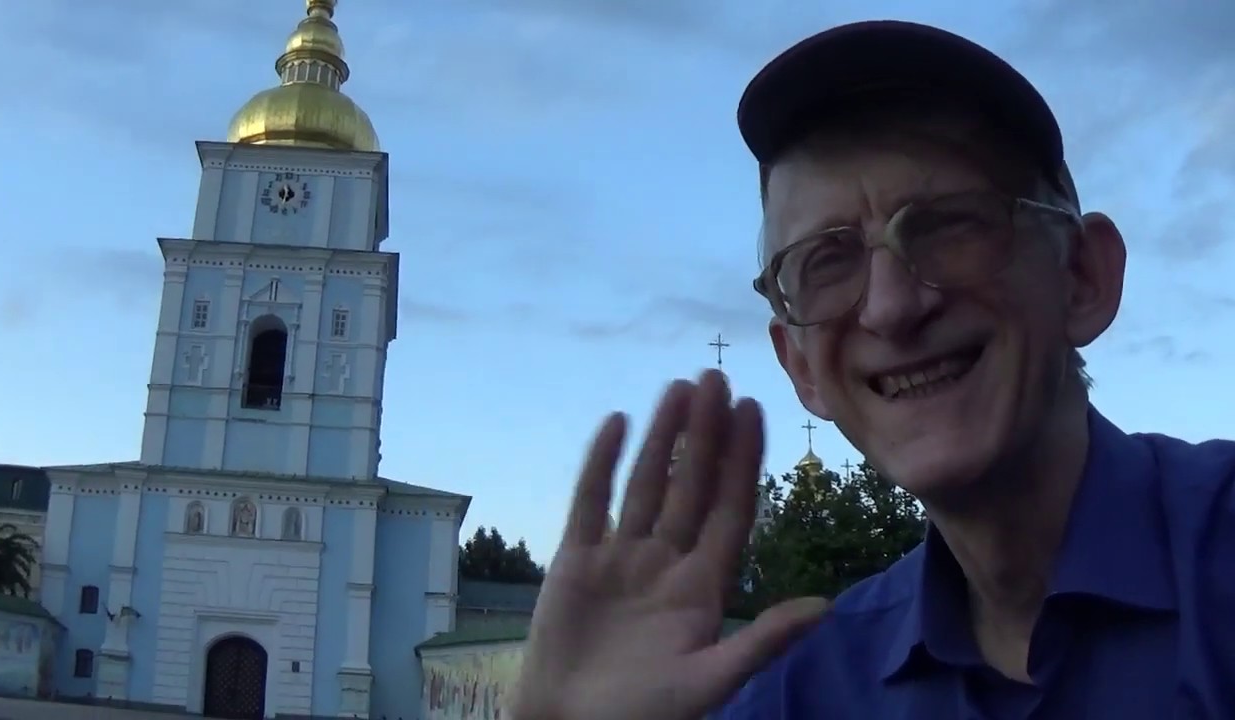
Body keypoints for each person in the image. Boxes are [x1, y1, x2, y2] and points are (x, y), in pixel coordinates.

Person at [509, 20, 1235, 720]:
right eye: (826, 262)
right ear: (801, 365)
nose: (890, 308)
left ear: (1082, 277)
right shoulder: (804, 690)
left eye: (949, 226)